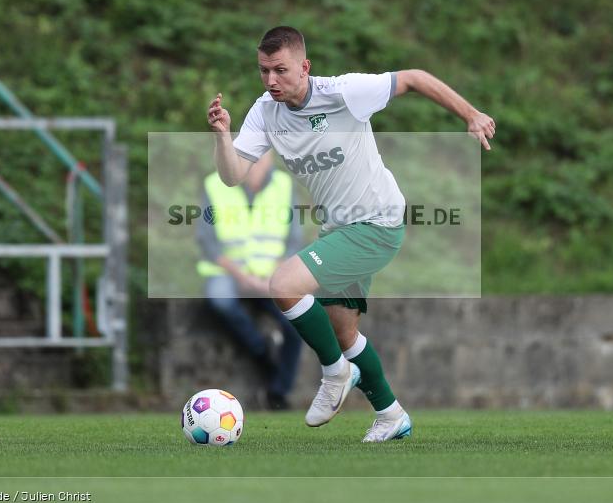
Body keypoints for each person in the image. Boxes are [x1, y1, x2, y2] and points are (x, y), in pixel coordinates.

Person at [206, 26, 495, 441]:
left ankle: (334, 374)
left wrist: (470, 114)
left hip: (376, 224)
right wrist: (221, 138)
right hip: (338, 229)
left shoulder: (344, 92)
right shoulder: (265, 111)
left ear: (305, 67)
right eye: (264, 71)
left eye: (281, 70)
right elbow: (233, 176)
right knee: (343, 332)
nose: (271, 80)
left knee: (284, 285)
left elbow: (413, 77)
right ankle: (391, 415)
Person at [196, 151, 304, 410]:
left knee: (299, 321)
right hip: (228, 273)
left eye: (260, 156)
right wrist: (242, 277)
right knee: (221, 301)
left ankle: (279, 391)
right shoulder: (214, 184)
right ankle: (262, 352)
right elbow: (207, 242)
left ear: (270, 159)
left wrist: (270, 277)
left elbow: (293, 241)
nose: (254, 162)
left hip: (271, 276)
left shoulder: (283, 185)